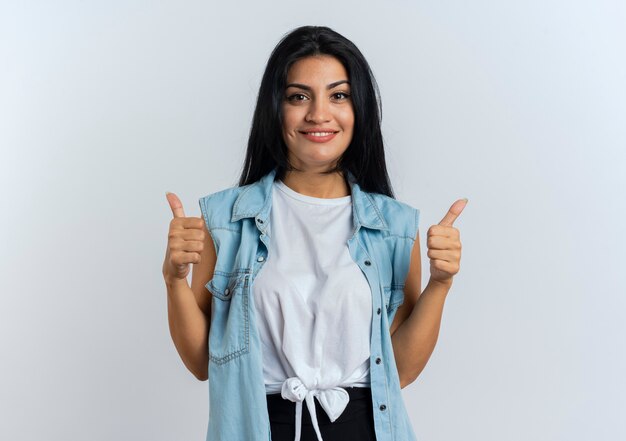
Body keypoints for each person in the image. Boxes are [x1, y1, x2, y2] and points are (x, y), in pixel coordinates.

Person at [163, 25, 467, 441]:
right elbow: (202, 362)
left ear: (358, 109)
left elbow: (402, 370)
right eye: (298, 96)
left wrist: (441, 284)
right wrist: (175, 280)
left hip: (364, 428)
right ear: (276, 108)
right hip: (258, 425)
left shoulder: (394, 228)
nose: (318, 114)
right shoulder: (226, 219)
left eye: (338, 95)